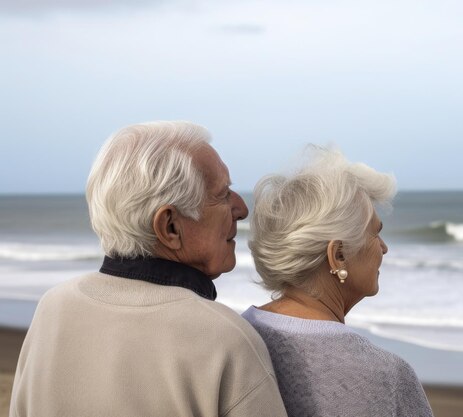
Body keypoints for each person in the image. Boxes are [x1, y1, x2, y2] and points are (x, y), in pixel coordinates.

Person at [10, 121, 287, 417]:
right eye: (222, 194)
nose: (242, 209)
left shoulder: (54, 307)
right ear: (169, 227)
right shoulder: (225, 339)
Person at [242, 146, 434, 417]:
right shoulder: (384, 377)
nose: (384, 248)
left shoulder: (233, 337)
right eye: (375, 234)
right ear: (338, 255)